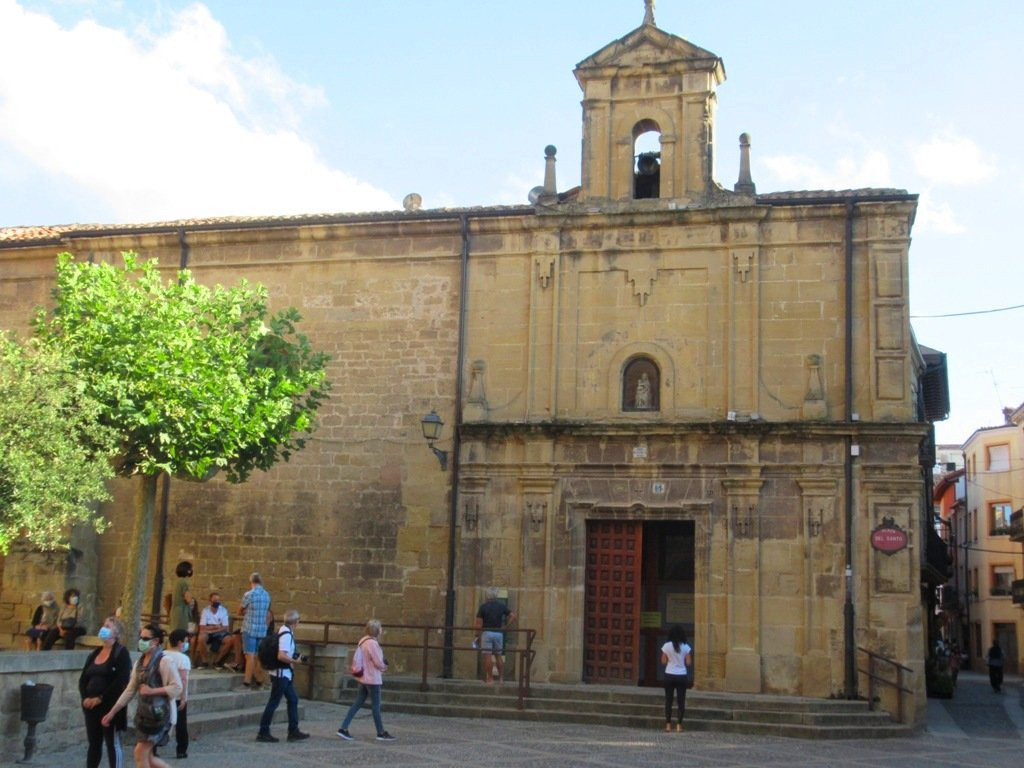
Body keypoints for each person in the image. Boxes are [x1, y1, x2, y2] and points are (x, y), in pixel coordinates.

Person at [102, 624, 182, 768]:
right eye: (141, 637)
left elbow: (177, 687)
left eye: (145, 638)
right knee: (149, 758)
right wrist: (113, 711)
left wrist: (152, 691)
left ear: (156, 641)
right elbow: (130, 690)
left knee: (140, 753)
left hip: (159, 714)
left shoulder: (165, 661)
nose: (141, 641)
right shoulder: (139, 662)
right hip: (144, 714)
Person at [79, 616, 131, 768]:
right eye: (104, 625)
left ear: (116, 633)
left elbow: (121, 680)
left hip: (109, 706)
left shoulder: (121, 653)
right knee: (94, 743)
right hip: (91, 707)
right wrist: (86, 698)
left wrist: (101, 698)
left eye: (108, 626)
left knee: (112, 744)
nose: (103, 628)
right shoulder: (94, 653)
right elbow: (83, 679)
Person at [256, 608, 309, 743]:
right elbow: (281, 655)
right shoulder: (286, 635)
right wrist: (294, 661)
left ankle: (293, 730)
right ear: (295, 622)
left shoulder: (284, 631)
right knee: (274, 702)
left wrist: (294, 657)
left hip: (284, 674)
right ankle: (263, 731)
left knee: (293, 699)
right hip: (281, 674)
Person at [336, 619, 395, 742]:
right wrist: (385, 666)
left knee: (357, 703)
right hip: (372, 678)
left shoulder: (363, 640)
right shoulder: (373, 644)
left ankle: (343, 727)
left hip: (363, 677)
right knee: (376, 706)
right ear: (377, 630)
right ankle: (380, 732)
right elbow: (378, 662)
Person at [474, 587, 516, 684]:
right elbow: (513, 616)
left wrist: (477, 635)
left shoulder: (483, 607)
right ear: (496, 596)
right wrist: (506, 626)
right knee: (498, 655)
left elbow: (478, 623)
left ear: (487, 596)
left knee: (487, 656)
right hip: (498, 633)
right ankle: (501, 678)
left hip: (487, 632)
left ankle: (490, 679)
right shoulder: (501, 606)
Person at [240, 572, 271, 688]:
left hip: (249, 628)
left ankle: (247, 681)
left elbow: (240, 610)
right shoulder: (267, 595)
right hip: (261, 629)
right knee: (259, 656)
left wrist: (247, 611)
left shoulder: (249, 594)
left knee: (250, 655)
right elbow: (267, 613)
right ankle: (259, 679)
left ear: (251, 582)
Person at [197, 591, 242, 669]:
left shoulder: (223, 610)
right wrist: (216, 626)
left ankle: (217, 661)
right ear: (210, 601)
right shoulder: (205, 611)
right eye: (215, 601)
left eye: (218, 600)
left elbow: (225, 628)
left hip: (219, 632)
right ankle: (205, 661)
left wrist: (211, 628)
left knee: (230, 640)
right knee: (201, 638)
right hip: (210, 632)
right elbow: (202, 627)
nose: (217, 602)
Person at [661, 624, 693, 732]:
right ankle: (679, 725)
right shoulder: (685, 647)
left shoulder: (666, 646)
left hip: (669, 674)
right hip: (681, 675)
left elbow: (663, 661)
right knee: (681, 701)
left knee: (668, 700)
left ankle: (668, 725)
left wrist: (671, 659)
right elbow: (689, 663)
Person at [165, 629, 191, 759]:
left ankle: (153, 747)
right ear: (180, 642)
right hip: (176, 695)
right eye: (186, 641)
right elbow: (183, 679)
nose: (187, 644)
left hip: (163, 693)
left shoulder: (162, 655)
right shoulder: (183, 659)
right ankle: (181, 749)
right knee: (181, 724)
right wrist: (183, 698)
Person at [169, 561, 195, 634]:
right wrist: (192, 602)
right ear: (188, 571)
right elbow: (188, 600)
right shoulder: (183, 582)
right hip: (182, 613)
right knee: (182, 635)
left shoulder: (177, 582)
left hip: (175, 612)